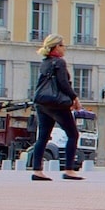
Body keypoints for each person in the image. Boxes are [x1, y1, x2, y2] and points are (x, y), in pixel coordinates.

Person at [28, 35, 83, 182]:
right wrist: (74, 98)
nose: (64, 48)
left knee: (43, 137)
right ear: (56, 47)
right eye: (62, 45)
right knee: (73, 134)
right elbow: (63, 84)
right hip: (57, 104)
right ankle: (69, 170)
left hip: (42, 103)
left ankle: (37, 171)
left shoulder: (44, 62)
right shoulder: (59, 62)